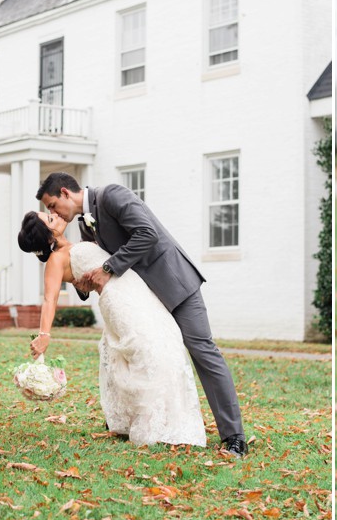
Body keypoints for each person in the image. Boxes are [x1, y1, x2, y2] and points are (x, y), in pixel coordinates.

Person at [34, 172, 248, 457]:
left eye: (51, 205)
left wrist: (109, 268)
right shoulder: (87, 225)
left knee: (203, 351)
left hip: (174, 284)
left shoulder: (112, 195)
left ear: (65, 193)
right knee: (144, 355)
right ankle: (143, 419)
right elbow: (95, 268)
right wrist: (86, 285)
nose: (53, 212)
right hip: (143, 300)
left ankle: (234, 436)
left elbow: (147, 233)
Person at [17, 211, 206, 447]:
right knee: (145, 349)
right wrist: (44, 335)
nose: (54, 214)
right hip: (119, 300)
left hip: (136, 290)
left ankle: (165, 415)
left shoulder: (73, 245)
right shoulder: (56, 260)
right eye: (50, 218)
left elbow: (85, 279)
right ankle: (150, 421)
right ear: (48, 237)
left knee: (165, 341)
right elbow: (49, 299)